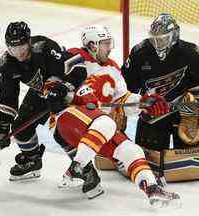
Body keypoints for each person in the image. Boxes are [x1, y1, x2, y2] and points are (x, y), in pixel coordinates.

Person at [51, 25, 181, 207]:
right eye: (104, 43)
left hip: (96, 126)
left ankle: (152, 189)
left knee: (132, 150)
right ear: (92, 45)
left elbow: (122, 99)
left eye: (108, 43)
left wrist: (144, 102)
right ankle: (76, 169)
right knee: (107, 123)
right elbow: (55, 83)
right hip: (68, 117)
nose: (109, 47)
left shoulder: (112, 67)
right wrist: (69, 94)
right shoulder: (75, 57)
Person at [0, 21, 87, 181]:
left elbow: (79, 67)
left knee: (62, 131)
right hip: (43, 92)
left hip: (68, 89)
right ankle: (33, 160)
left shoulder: (45, 47)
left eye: (22, 47)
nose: (18, 53)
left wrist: (65, 88)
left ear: (29, 42)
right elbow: (8, 97)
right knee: (20, 128)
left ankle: (86, 169)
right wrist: (4, 125)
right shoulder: (7, 64)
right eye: (13, 48)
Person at [121, 13, 199, 150]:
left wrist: (194, 109)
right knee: (146, 159)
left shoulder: (193, 54)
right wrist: (124, 109)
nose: (157, 43)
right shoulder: (139, 52)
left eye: (163, 39)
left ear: (174, 36)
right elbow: (124, 87)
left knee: (191, 161)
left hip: (184, 115)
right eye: (154, 39)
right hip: (153, 113)